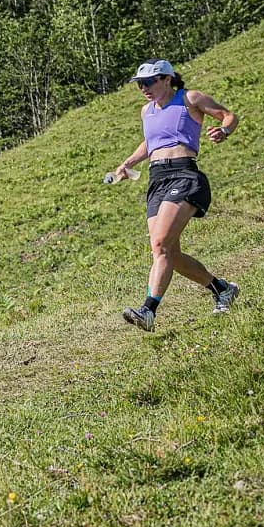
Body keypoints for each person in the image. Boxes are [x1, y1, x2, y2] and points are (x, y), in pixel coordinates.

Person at [111, 60, 240, 331]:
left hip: (184, 175)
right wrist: (127, 164)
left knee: (160, 245)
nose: (143, 88)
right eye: (139, 84)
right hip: (157, 180)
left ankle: (148, 310)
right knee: (167, 251)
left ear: (167, 79)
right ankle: (222, 288)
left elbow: (228, 115)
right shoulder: (146, 111)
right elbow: (151, 141)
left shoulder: (189, 98)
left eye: (148, 82)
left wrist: (224, 131)